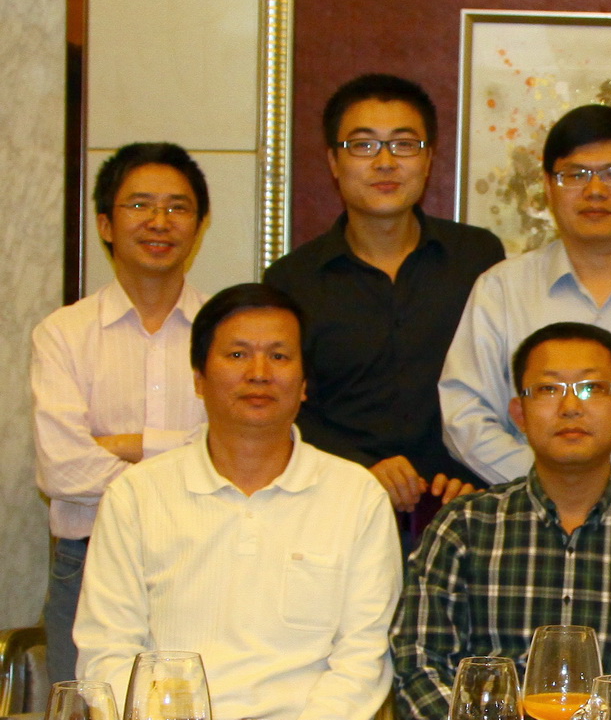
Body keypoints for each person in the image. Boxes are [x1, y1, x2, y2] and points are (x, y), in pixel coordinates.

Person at [75, 284, 400, 720]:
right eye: (237, 354)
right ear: (198, 378)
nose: (259, 373)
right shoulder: (136, 495)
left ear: (304, 383)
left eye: (279, 356)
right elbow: (108, 652)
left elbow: (363, 658)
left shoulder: (357, 496)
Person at [394, 322, 611, 720]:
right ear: (519, 413)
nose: (570, 406)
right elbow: (419, 663)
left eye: (592, 388)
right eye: (548, 389)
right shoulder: (464, 527)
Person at [265, 73, 503, 514]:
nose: (385, 162)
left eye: (404, 144)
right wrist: (361, 468)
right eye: (363, 145)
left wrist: (475, 471)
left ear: (428, 158)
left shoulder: (478, 259)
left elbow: (504, 379)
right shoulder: (291, 280)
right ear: (334, 161)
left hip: (466, 503)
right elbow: (285, 403)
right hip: (335, 505)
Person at [441, 104, 611, 493]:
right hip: (534, 516)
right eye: (575, 175)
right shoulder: (501, 290)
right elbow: (464, 416)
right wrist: (560, 482)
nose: (595, 191)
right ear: (548, 186)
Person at [31, 142, 210, 682]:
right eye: (140, 205)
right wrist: (178, 457)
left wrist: (131, 444)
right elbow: (62, 471)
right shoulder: (63, 334)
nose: (159, 221)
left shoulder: (225, 332)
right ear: (105, 224)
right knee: (85, 707)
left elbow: (237, 454)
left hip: (201, 559)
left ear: (199, 226)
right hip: (86, 562)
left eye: (177, 207)